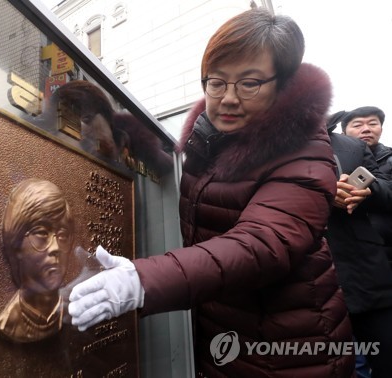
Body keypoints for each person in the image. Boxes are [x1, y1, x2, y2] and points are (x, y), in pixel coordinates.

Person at [67, 8, 355, 377]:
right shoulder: (210, 139)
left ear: (281, 83)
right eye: (216, 82)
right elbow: (160, 163)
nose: (228, 98)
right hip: (225, 336)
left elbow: (261, 245)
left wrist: (143, 280)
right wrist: (109, 125)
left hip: (291, 353)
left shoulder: (304, 153)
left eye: (249, 83)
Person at [326, 111, 392, 377]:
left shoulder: (352, 147)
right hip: (312, 276)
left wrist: (366, 191)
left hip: (367, 272)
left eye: (372, 123)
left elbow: (386, 189)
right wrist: (324, 190)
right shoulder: (273, 146)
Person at [0, 178, 75, 343]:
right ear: (16, 243)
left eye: (63, 235)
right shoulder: (7, 324)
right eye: (42, 233)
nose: (55, 247)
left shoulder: (74, 313)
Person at [340, 107, 392, 256]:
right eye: (357, 125)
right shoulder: (331, 159)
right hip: (346, 250)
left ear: (381, 129)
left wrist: (371, 190)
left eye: (372, 124)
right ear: (343, 133)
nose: (366, 129)